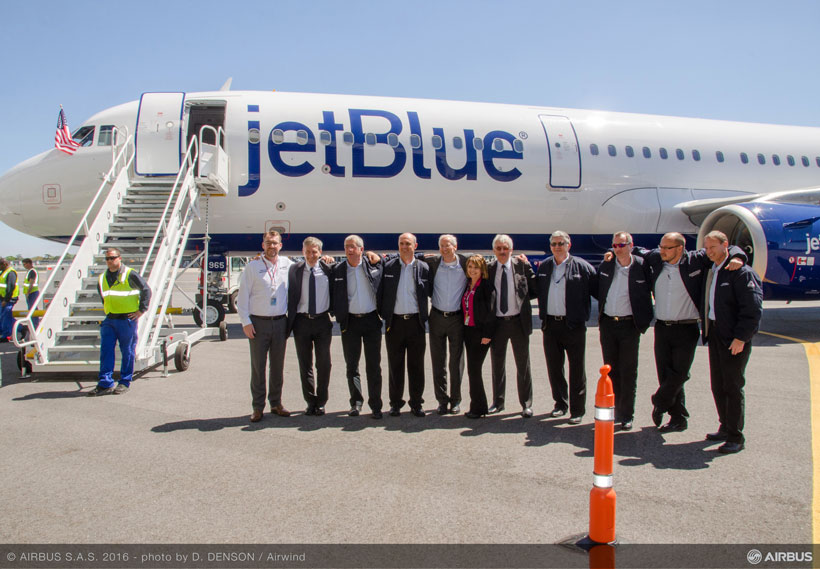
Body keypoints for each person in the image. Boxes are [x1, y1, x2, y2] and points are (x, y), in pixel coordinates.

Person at [635, 233, 745, 433]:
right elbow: (634, 249)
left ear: (680, 248)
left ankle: (660, 401)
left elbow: (728, 248)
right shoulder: (656, 258)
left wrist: (739, 257)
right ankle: (677, 418)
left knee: (680, 373)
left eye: (667, 248)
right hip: (661, 327)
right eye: (661, 247)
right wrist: (611, 252)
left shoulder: (696, 259)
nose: (662, 251)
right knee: (665, 374)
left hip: (687, 327)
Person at [702, 230, 763, 454]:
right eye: (707, 248)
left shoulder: (741, 272)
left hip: (734, 338)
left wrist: (741, 338)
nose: (709, 252)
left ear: (725, 245)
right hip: (716, 334)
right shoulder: (715, 269)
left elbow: (753, 310)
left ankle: (737, 436)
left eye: (713, 248)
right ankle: (726, 426)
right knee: (718, 384)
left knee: (733, 386)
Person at [535, 231, 597, 424]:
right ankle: (560, 404)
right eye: (553, 244)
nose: (557, 247)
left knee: (577, 369)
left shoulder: (582, 267)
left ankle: (577, 410)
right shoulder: (545, 266)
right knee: (554, 368)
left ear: (569, 245)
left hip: (574, 326)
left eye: (561, 243)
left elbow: (599, 291)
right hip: (550, 325)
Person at [595, 232, 653, 430]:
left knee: (628, 372)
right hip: (608, 325)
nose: (617, 248)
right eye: (615, 245)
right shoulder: (607, 265)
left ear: (631, 245)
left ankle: (627, 414)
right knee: (611, 371)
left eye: (621, 245)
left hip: (630, 326)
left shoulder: (642, 266)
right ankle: (614, 410)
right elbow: (596, 289)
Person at [236, 229, 293, 422]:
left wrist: (325, 259)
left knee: (277, 367)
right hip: (258, 323)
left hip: (280, 322)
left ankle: (276, 403)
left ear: (280, 245)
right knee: (258, 367)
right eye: (268, 243)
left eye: (275, 243)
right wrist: (245, 322)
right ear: (263, 245)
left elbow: (307, 270)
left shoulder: (288, 265)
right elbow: (242, 297)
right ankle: (258, 407)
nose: (272, 246)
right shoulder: (252, 267)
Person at [378, 233, 431, 417]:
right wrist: (383, 315)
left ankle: (416, 403)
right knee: (395, 366)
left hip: (416, 323)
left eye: (408, 243)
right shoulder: (389, 266)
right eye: (401, 243)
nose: (404, 246)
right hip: (395, 323)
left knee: (416, 366)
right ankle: (395, 403)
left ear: (415, 245)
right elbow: (380, 292)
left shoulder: (423, 267)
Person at [332, 235, 384, 419]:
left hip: (371, 321)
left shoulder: (374, 265)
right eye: (346, 247)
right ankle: (356, 403)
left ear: (362, 249)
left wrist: (378, 256)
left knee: (373, 366)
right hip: (350, 323)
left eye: (353, 247)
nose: (349, 250)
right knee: (351, 365)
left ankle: (376, 405)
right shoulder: (338, 269)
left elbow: (392, 261)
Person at [88, 248, 151, 396]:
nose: (110, 261)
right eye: (107, 259)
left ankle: (124, 381)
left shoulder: (129, 274)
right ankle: (105, 383)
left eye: (113, 258)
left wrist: (141, 310)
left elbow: (146, 290)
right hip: (110, 319)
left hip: (126, 320)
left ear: (120, 258)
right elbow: (103, 295)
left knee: (127, 351)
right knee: (106, 351)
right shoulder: (102, 277)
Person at [487, 234, 536, 418]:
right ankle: (498, 403)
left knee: (523, 365)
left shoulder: (521, 266)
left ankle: (526, 404)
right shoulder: (489, 268)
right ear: (494, 251)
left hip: (518, 322)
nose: (502, 252)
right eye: (498, 248)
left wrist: (529, 266)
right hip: (497, 324)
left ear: (511, 250)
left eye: (505, 248)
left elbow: (534, 289)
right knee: (497, 365)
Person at [287, 237, 333, 416]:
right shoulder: (294, 270)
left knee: (324, 364)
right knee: (305, 364)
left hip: (322, 321)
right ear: (303, 252)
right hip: (302, 322)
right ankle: (310, 401)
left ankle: (321, 401)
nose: (311, 255)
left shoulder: (329, 269)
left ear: (320, 252)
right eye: (307, 252)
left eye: (314, 252)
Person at [425, 234, 468, 415]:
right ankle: (442, 400)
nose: (445, 248)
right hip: (436, 317)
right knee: (438, 361)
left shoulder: (466, 263)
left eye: (448, 245)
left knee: (456, 361)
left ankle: (456, 400)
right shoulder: (433, 263)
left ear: (455, 246)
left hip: (457, 318)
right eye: (442, 246)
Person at [461, 255, 496, 419]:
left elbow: (491, 311)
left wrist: (487, 334)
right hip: (469, 331)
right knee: (472, 370)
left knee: (474, 370)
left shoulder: (486, 286)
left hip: (481, 333)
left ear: (482, 269)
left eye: (475, 267)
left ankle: (479, 407)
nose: (472, 270)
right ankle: (477, 405)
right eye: (469, 267)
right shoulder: (468, 285)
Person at [0, 257, 18, 342]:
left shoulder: (10, 273)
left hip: (9, 299)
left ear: (4, 264)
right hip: (3, 298)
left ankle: (6, 335)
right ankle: (21, 328)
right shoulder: (3, 272)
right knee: (5, 316)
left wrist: (6, 300)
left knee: (5, 316)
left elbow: (11, 288)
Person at [21, 258, 40, 329]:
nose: (24, 266)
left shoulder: (32, 271)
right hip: (31, 293)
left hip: (32, 293)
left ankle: (35, 325)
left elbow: (31, 282)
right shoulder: (29, 271)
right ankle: (33, 324)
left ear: (29, 263)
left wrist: (28, 292)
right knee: (31, 309)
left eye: (25, 264)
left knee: (32, 309)